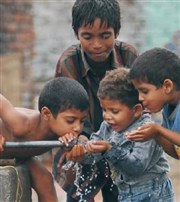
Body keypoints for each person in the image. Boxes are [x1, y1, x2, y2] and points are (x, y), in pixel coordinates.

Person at [54, 0, 138, 201]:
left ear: (116, 32)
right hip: (80, 141)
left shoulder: (129, 57)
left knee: (120, 193)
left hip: (122, 142)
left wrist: (116, 143)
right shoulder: (69, 63)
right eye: (87, 36)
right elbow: (66, 114)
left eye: (105, 35)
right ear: (77, 34)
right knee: (78, 189)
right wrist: (81, 140)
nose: (97, 44)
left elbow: (140, 107)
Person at [61, 68, 175, 202]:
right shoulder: (107, 126)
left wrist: (109, 149)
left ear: (136, 110)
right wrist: (79, 150)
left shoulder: (146, 130)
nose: (107, 116)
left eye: (114, 111)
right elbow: (93, 154)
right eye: (104, 109)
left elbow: (136, 167)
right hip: (126, 194)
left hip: (153, 194)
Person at [0, 77, 89, 202]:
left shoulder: (63, 135)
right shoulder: (22, 124)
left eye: (82, 121)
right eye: (70, 120)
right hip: (5, 148)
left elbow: (71, 178)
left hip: (20, 157)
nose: (77, 127)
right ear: (46, 114)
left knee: (45, 180)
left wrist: (74, 157)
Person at [126, 47, 180, 159]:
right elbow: (177, 153)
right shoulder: (168, 109)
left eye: (145, 91)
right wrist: (156, 134)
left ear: (167, 86)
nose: (140, 98)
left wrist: (158, 130)